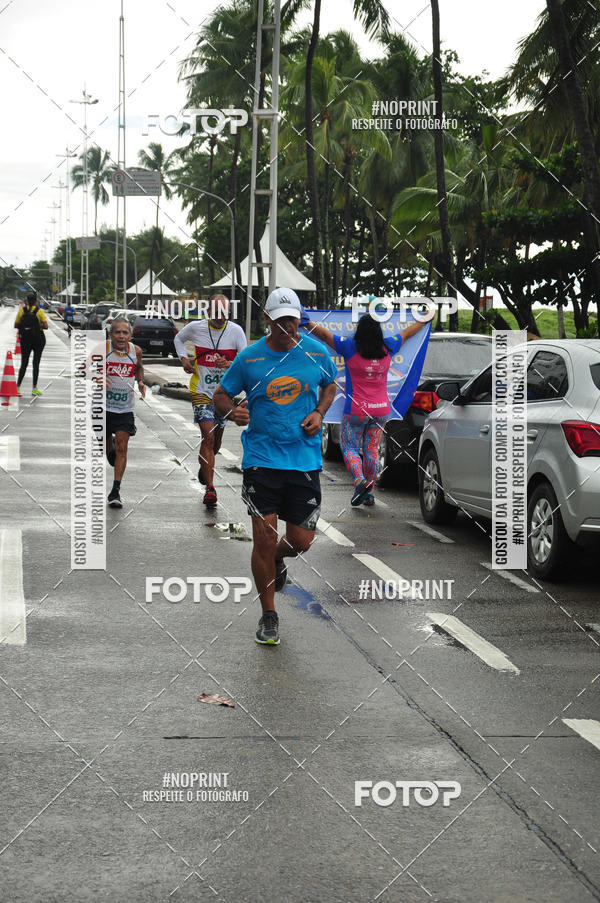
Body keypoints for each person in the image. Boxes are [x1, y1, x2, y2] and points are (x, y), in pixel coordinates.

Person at [213, 287, 337, 646]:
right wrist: (231, 412)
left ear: (299, 320)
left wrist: (319, 412)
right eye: (279, 320)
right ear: (267, 320)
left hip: (304, 459)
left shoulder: (315, 352)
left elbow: (330, 385)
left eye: (292, 320)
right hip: (262, 459)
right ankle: (269, 615)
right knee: (264, 537)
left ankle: (279, 560)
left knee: (301, 541)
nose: (286, 327)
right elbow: (221, 394)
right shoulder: (250, 358)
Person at [303, 308, 433, 507]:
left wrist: (305, 322)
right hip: (381, 409)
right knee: (371, 450)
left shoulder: (349, 347)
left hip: (356, 409)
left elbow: (323, 334)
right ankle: (369, 493)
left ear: (359, 332)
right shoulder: (388, 346)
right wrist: (424, 320)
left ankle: (359, 481)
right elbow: (408, 332)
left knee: (349, 447)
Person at [174, 295, 246, 508]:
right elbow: (178, 339)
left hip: (224, 394)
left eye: (223, 313)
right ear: (208, 312)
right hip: (201, 390)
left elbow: (244, 360)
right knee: (208, 437)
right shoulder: (196, 328)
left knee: (216, 443)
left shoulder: (236, 331)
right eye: (215, 313)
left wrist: (230, 363)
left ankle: (204, 467)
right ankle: (211, 489)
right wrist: (184, 359)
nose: (219, 317)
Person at [104, 317, 146, 508]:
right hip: (102, 406)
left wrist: (141, 382)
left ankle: (115, 490)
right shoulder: (102, 349)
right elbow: (85, 368)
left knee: (123, 446)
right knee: (105, 449)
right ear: (111, 334)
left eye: (125, 332)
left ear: (130, 335)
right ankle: (109, 445)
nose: (121, 336)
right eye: (117, 332)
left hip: (125, 408)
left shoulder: (135, 351)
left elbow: (139, 369)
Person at [14, 291, 48, 396]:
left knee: (24, 363)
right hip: (38, 339)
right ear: (36, 301)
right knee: (35, 363)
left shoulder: (22, 311)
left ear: (27, 301)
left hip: (25, 340)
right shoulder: (40, 311)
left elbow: (16, 325)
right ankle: (34, 388)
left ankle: (18, 387)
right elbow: (46, 326)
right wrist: (37, 327)